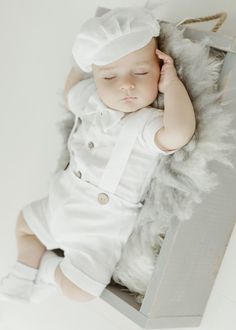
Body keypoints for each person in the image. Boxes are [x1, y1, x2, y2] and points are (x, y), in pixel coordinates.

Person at [0, 6, 196, 303]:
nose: (126, 84)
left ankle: (46, 271)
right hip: (61, 199)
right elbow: (69, 94)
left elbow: (180, 133)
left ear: (159, 69)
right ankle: (24, 271)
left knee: (81, 292)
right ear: (96, 80)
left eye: (141, 72)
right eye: (108, 78)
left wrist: (173, 87)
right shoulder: (92, 99)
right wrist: (81, 64)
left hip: (99, 226)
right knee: (24, 224)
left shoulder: (146, 124)